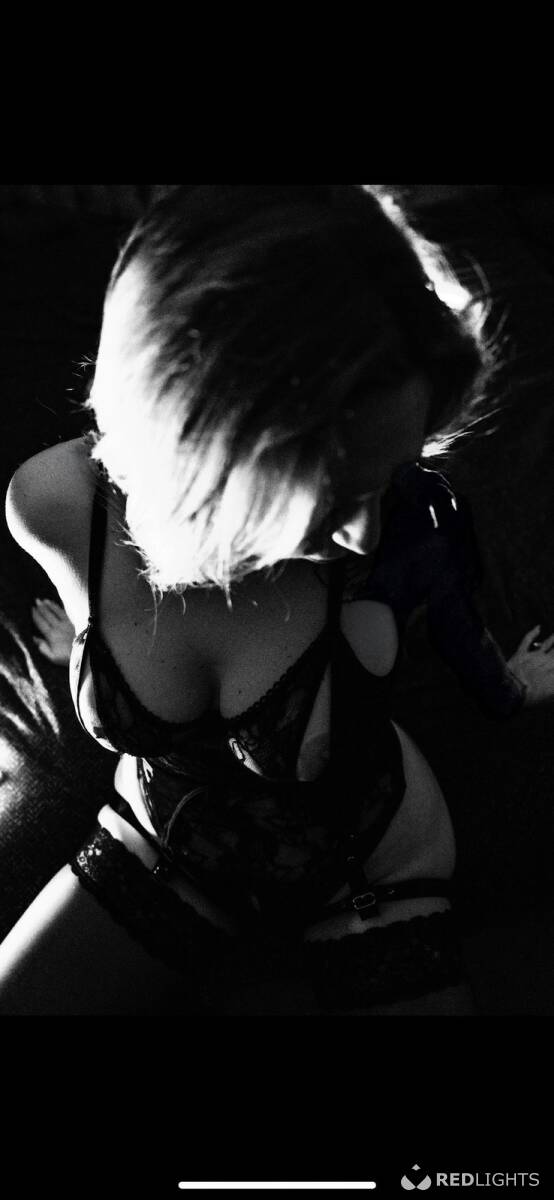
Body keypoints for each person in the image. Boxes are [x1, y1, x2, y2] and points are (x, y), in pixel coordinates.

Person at [2, 184, 553, 1016]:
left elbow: (455, 627)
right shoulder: (51, 507)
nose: (368, 538)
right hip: (162, 845)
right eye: (331, 498)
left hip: (367, 868)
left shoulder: (414, 527)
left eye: (393, 475)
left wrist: (512, 687)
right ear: (201, 455)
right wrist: (86, 643)